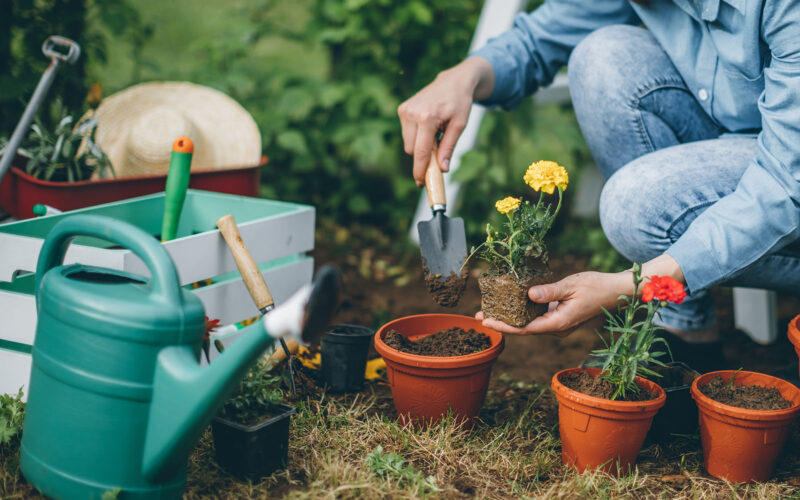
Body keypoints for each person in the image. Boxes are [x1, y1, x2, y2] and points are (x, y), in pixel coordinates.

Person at [397, 0, 800, 370]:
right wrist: (465, 76)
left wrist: (630, 286)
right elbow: (545, 36)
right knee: (602, 56)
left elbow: (783, 186)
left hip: (786, 173)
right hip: (742, 138)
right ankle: (684, 333)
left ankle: (674, 302)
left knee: (636, 206)